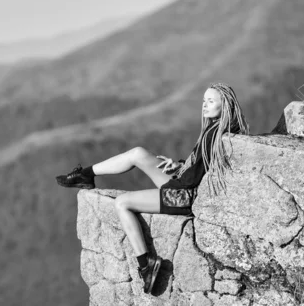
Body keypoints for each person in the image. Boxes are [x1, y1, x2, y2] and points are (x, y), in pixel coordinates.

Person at [55, 82, 249, 294]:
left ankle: (146, 264)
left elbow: (195, 177)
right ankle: (86, 175)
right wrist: (179, 165)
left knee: (122, 204)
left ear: (226, 105)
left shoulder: (217, 134)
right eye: (203, 101)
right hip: (182, 184)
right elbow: (201, 166)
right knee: (137, 153)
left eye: (210, 101)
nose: (204, 105)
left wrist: (179, 173)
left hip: (184, 195)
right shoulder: (216, 128)